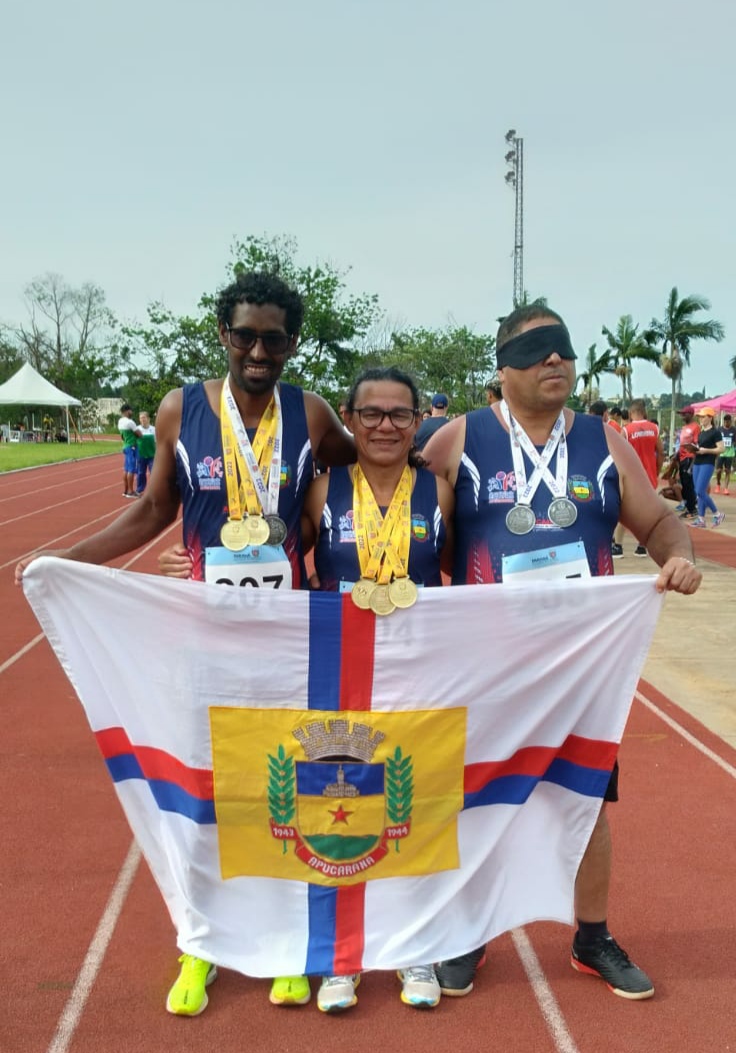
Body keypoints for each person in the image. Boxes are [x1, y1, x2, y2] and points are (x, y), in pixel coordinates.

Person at [16, 270, 355, 1016]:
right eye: (245, 335)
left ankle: (279, 942)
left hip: (284, 632)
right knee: (202, 787)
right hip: (200, 628)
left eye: (273, 338)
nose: (258, 350)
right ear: (223, 336)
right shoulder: (180, 409)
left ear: (292, 343)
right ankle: (199, 943)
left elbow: (353, 488)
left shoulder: (314, 414)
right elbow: (153, 509)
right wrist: (71, 561)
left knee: (282, 779)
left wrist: (309, 536)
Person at [422, 303, 701, 1002]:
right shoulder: (459, 440)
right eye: (538, 350)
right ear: (503, 369)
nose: (556, 361)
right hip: (488, 665)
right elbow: (400, 523)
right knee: (480, 796)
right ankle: (470, 931)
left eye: (563, 349)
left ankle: (592, 934)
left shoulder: (603, 440)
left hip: (582, 670)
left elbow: (660, 519)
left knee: (587, 798)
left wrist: (679, 557)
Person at [300, 365, 454, 1013]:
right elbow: (278, 566)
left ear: (418, 421)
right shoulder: (319, 490)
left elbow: (475, 582)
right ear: (349, 418)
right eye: (371, 413)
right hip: (338, 676)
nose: (385, 425)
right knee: (342, 809)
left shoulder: (440, 492)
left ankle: (414, 947)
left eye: (399, 414)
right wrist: (180, 566)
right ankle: (343, 957)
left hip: (417, 676)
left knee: (414, 810)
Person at [622, 399, 664, 556]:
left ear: (631, 413)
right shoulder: (654, 429)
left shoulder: (627, 430)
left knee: (625, 511)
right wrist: (657, 471)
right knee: (647, 513)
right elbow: (661, 453)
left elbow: (619, 454)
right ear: (644, 412)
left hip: (632, 476)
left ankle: (617, 545)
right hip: (649, 476)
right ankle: (642, 545)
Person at [690, 407, 725, 528]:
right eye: (699, 417)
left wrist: (706, 451)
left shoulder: (715, 432)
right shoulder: (701, 432)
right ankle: (701, 519)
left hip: (707, 463)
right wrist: (694, 449)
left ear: (710, 418)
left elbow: (721, 449)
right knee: (698, 492)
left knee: (700, 490)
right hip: (697, 462)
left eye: (703, 417)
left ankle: (717, 513)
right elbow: (700, 447)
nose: (701, 419)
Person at [676, 406, 700, 520]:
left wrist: (692, 463)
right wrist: (677, 455)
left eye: (684, 414)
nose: (682, 416)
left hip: (689, 458)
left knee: (688, 485)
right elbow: (681, 443)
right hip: (682, 458)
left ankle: (692, 509)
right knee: (684, 485)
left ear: (691, 414)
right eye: (681, 414)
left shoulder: (695, 427)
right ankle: (689, 506)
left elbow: (697, 445)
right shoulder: (685, 427)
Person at [117, 403, 142, 498]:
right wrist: (136, 435)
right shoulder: (130, 422)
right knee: (131, 469)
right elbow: (139, 434)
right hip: (132, 447)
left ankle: (126, 490)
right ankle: (131, 491)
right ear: (127, 411)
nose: (131, 412)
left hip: (126, 445)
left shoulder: (120, 421)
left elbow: (122, 436)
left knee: (126, 469)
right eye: (130, 410)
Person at [135, 411, 156, 494]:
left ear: (148, 419)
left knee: (154, 473)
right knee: (140, 473)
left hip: (152, 455)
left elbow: (156, 442)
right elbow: (134, 442)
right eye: (141, 418)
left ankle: (154, 489)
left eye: (144, 417)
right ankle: (140, 489)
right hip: (141, 455)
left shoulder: (154, 429)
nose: (142, 419)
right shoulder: (137, 429)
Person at [714, 413, 734, 494]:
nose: (727, 423)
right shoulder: (719, 429)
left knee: (727, 470)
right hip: (720, 453)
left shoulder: (734, 430)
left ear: (730, 422)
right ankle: (718, 484)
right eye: (725, 422)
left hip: (729, 453)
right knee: (718, 470)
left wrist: (732, 443)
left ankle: (726, 488)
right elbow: (716, 440)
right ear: (724, 421)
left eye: (728, 422)